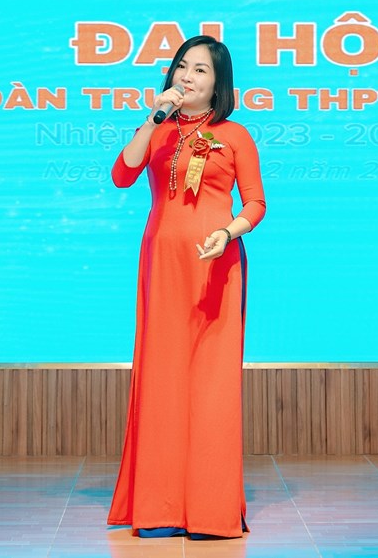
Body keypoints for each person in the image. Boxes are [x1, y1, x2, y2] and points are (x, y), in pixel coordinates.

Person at [107, 35, 266, 539]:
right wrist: (153, 119)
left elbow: (256, 204)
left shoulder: (235, 135)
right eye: (182, 66)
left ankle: (210, 508)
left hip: (217, 265)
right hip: (163, 263)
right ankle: (161, 507)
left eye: (200, 69)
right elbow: (121, 175)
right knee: (163, 377)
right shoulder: (158, 129)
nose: (188, 76)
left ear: (219, 83)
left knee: (211, 384)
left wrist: (229, 232)